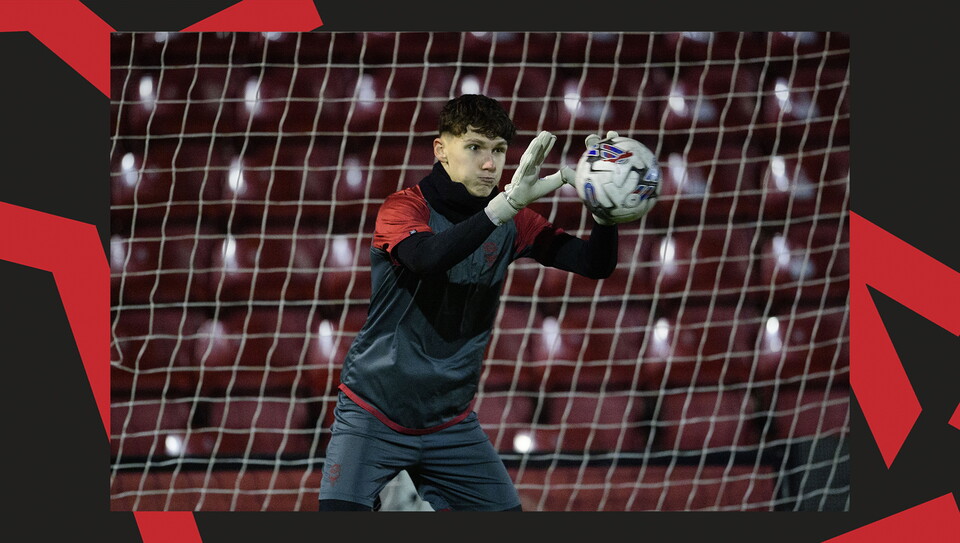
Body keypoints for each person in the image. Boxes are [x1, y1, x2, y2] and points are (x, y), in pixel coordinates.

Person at [318, 94, 618, 511]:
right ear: (441, 150)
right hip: (374, 413)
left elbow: (594, 263)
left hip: (450, 422)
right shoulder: (403, 208)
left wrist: (606, 210)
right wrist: (503, 208)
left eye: (498, 150)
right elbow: (427, 258)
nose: (490, 164)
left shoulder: (514, 220)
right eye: (475, 147)